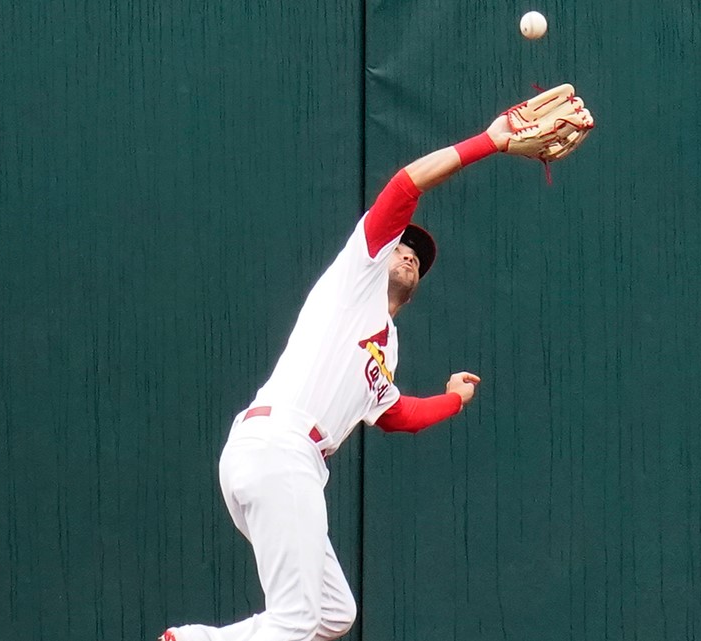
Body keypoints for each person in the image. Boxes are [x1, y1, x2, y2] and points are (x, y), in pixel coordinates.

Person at [162, 86, 593, 641]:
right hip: (279, 450)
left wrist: (452, 400)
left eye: (419, 257)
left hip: (279, 461)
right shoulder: (356, 277)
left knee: (334, 615)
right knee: (294, 621)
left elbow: (393, 414)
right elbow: (405, 185)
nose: (409, 253)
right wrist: (490, 142)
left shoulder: (382, 343)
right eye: (402, 246)